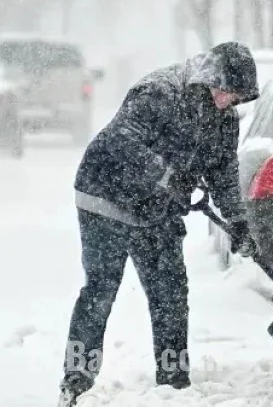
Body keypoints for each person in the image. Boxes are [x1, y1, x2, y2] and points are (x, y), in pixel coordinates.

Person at [58, 42, 260, 406]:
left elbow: (223, 172)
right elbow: (121, 141)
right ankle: (75, 381)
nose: (228, 101)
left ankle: (174, 382)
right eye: (225, 91)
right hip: (105, 196)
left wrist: (238, 220)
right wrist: (166, 176)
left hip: (155, 209)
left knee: (170, 295)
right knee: (101, 291)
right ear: (208, 79)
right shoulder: (161, 92)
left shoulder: (225, 119)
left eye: (235, 96)